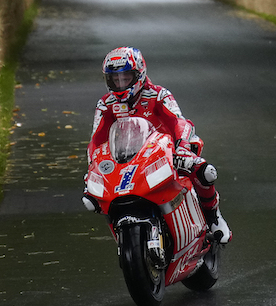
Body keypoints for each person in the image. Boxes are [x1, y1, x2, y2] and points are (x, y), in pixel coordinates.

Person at [85, 46, 232, 244]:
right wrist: (93, 165)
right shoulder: (105, 104)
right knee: (94, 198)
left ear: (139, 74)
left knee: (205, 171)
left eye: (126, 77)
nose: (120, 84)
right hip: (128, 159)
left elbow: (178, 122)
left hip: (166, 152)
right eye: (115, 79)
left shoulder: (159, 94)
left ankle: (214, 216)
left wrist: (182, 148)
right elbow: (97, 139)